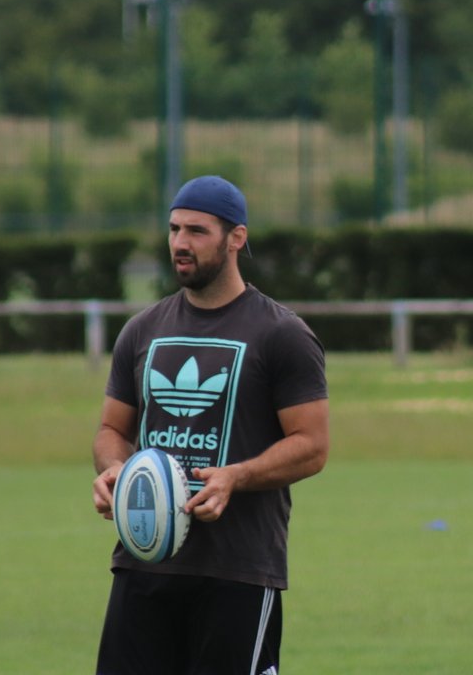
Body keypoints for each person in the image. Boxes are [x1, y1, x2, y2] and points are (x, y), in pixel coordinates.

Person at [91, 175, 329, 675]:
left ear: (236, 238)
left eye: (197, 231)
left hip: (237, 570)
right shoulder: (142, 330)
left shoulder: (281, 334)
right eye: (175, 229)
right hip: (143, 560)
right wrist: (115, 470)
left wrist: (234, 476)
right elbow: (112, 430)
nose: (180, 243)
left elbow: (312, 446)